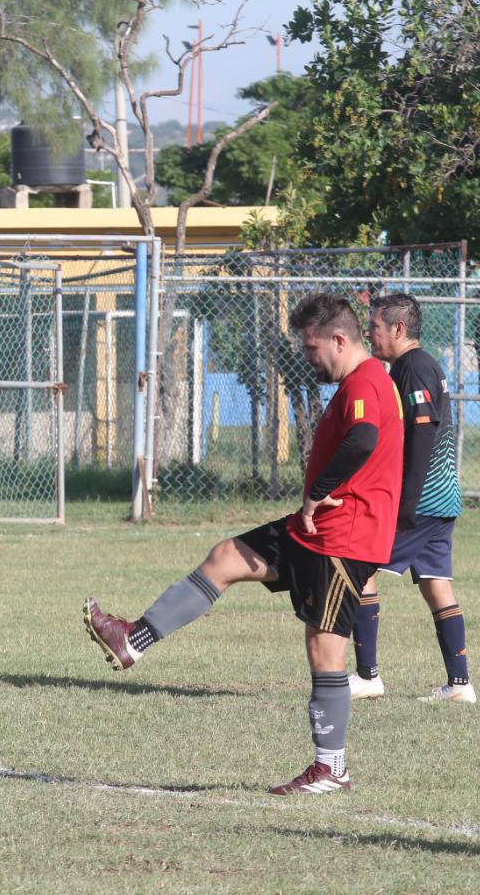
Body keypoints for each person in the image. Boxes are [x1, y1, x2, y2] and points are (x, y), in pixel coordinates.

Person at [84, 293, 403, 794]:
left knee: (324, 649)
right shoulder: (356, 382)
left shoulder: (367, 381)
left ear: (340, 340)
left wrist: (319, 491)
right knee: (226, 558)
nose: (308, 357)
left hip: (344, 538)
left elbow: (362, 439)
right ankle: (133, 640)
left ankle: (331, 768)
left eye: (312, 347)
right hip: (316, 530)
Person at [350, 293, 474, 704]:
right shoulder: (416, 366)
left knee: (359, 569)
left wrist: (404, 503)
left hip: (420, 501)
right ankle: (460, 685)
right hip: (441, 501)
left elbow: (422, 432)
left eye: (375, 327)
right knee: (437, 586)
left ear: (398, 328)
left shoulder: (413, 368)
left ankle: (367, 677)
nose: (370, 334)